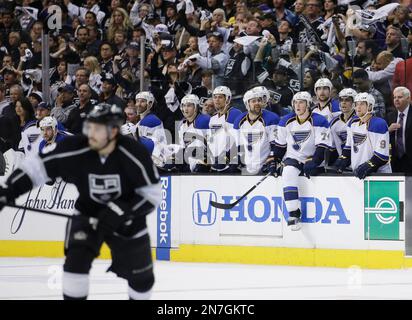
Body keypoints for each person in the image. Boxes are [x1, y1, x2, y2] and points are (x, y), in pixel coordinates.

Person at [0, 103, 161, 300]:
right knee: (75, 267)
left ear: (113, 131)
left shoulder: (134, 153)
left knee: (142, 279)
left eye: (97, 129)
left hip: (128, 219)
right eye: (89, 127)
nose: (91, 133)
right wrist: (8, 191)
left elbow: (152, 194)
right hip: (88, 213)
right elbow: (36, 168)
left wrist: (119, 211)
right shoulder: (75, 147)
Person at [271, 91, 329, 230]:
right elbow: (280, 146)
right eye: (295, 102)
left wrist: (314, 161)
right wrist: (273, 161)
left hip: (313, 158)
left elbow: (322, 147)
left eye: (301, 102)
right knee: (288, 172)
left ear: (308, 104)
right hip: (293, 158)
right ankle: (293, 212)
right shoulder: (285, 121)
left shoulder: (320, 120)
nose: (298, 105)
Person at [335, 93, 392, 178]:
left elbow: (382, 156)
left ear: (369, 106)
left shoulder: (379, 124)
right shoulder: (352, 123)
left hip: (379, 175)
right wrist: (343, 158)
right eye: (356, 104)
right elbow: (348, 147)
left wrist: (368, 165)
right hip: (358, 173)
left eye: (362, 104)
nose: (358, 107)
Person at [233, 88, 280, 174]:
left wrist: (272, 159)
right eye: (253, 101)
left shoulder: (271, 118)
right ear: (247, 104)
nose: (257, 103)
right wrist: (239, 160)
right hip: (246, 167)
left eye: (259, 100)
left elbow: (275, 144)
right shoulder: (239, 121)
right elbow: (238, 145)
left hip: (265, 167)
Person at [208, 85, 242, 172]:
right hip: (216, 160)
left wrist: (226, 157)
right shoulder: (213, 118)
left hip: (231, 159)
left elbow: (238, 140)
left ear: (227, 99)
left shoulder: (235, 114)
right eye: (215, 97)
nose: (217, 100)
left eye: (220, 97)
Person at [177, 94, 210, 172]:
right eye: (183, 106)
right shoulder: (182, 125)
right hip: (189, 160)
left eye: (189, 106)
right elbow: (182, 146)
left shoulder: (205, 120)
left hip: (204, 160)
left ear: (195, 107)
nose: (185, 109)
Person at [326, 88, 357, 166]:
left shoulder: (360, 121)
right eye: (341, 100)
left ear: (354, 103)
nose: (343, 103)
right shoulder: (333, 123)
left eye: (347, 100)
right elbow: (331, 148)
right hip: (342, 165)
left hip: (359, 163)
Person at [386, 86, 412, 174]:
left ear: (408, 98)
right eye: (394, 97)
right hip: (395, 160)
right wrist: (388, 130)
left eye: (400, 97)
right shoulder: (390, 116)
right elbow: (382, 136)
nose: (396, 100)